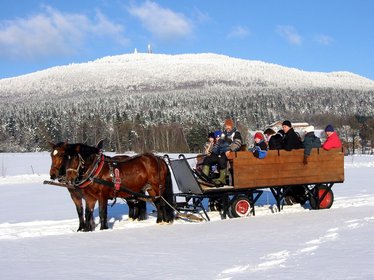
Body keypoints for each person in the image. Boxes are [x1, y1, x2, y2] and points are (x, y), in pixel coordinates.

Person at [201, 118, 242, 186]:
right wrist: (212, 151)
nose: (227, 127)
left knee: (221, 159)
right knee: (207, 159)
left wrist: (230, 149)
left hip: (230, 152)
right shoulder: (223, 134)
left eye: (228, 126)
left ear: (231, 126)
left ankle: (222, 179)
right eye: (226, 126)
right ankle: (204, 177)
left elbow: (238, 143)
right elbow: (218, 143)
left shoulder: (236, 133)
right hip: (220, 152)